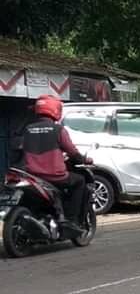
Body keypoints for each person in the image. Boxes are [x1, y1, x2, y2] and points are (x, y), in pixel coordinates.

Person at [22, 94, 93, 239]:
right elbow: (72, 152)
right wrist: (84, 159)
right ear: (55, 110)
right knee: (79, 181)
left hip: (32, 176)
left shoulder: (28, 129)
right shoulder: (58, 129)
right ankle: (72, 220)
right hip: (55, 175)